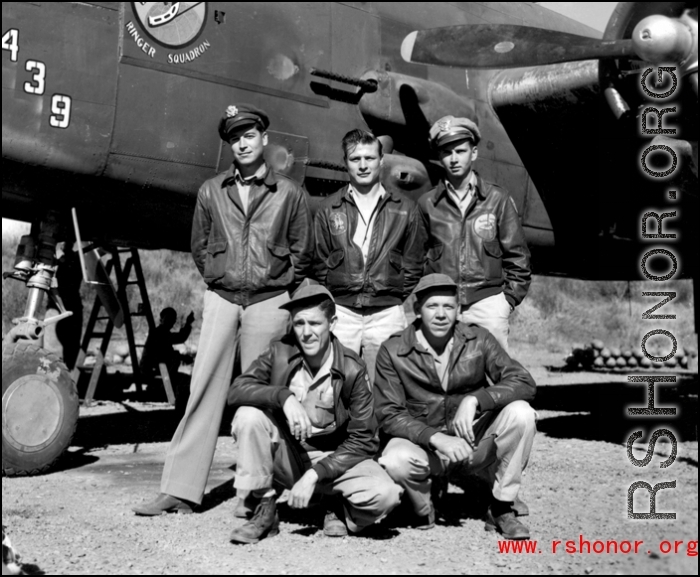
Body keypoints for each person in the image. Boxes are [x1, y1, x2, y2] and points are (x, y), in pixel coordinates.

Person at [133, 104, 314, 516]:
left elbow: (303, 252)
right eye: (235, 137)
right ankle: (179, 489)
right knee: (202, 391)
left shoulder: (289, 193)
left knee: (265, 397)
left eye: (249, 134)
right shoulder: (211, 191)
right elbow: (200, 246)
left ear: (264, 139)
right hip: (222, 298)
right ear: (229, 145)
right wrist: (220, 277)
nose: (243, 142)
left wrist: (279, 286)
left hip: (270, 301)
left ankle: (261, 492)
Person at [226, 280, 403, 543]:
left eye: (315, 323)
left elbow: (365, 439)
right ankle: (265, 508)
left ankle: (337, 505)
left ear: (332, 324)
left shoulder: (353, 368)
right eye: (299, 324)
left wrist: (316, 474)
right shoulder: (280, 351)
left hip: (336, 458)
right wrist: (282, 396)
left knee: (386, 494)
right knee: (248, 416)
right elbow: (238, 390)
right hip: (291, 455)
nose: (306, 332)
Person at [374, 273, 537, 540]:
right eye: (432, 306)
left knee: (521, 414)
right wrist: (435, 438)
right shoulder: (393, 350)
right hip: (426, 447)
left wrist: (477, 399)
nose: (441, 314)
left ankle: (501, 506)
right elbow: (388, 413)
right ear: (417, 309)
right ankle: (421, 505)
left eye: (448, 307)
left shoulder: (479, 339)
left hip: (471, 443)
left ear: (458, 310)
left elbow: (523, 381)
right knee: (395, 460)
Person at [313, 129, 426, 379]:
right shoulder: (327, 209)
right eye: (355, 159)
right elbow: (320, 263)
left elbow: (414, 264)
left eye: (370, 158)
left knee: (387, 390)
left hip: (387, 314)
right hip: (341, 314)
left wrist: (389, 294)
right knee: (337, 387)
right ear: (345, 163)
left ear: (381, 160)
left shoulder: (406, 209)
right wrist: (340, 292)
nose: (363, 166)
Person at [419, 116, 531, 353]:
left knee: (495, 380)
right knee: (444, 378)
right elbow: (415, 260)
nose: (454, 158)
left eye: (460, 151)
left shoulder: (497, 199)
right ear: (440, 157)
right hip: (443, 306)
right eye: (447, 152)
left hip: (488, 304)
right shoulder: (427, 204)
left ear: (474, 153)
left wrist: (506, 302)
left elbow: (518, 257)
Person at [139, 307, 194, 382]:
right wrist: (188, 323)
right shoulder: (158, 333)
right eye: (168, 318)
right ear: (161, 319)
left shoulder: (162, 332)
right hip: (151, 369)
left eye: (172, 319)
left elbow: (166, 352)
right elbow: (180, 338)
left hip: (155, 367)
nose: (170, 322)